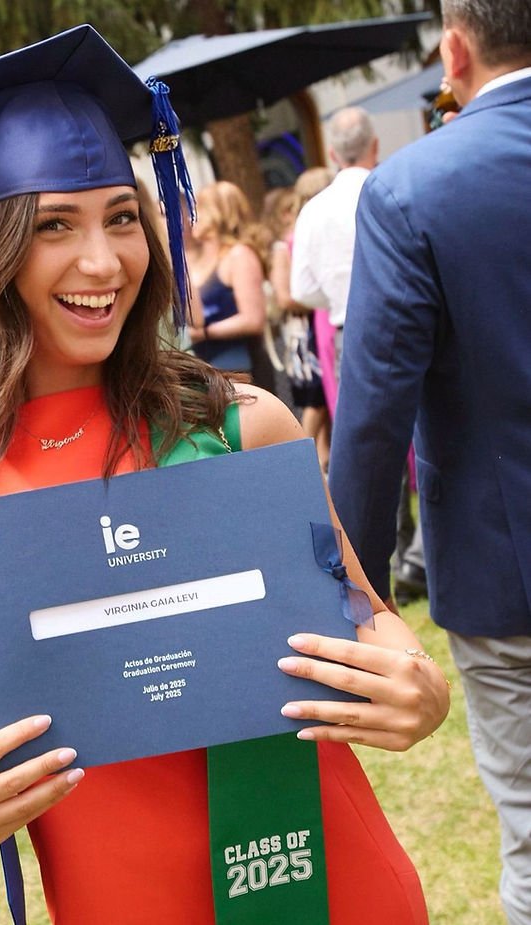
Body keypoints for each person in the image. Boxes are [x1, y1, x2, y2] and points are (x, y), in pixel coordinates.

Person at [0, 25, 450, 924]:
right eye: (54, 225)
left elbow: (365, 611)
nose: (104, 261)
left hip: (319, 882)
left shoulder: (236, 425)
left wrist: (417, 679)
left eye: (122, 217)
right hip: (117, 898)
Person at [329, 3, 531, 921]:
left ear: (455, 47)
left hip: (507, 569)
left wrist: (351, 600)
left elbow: (373, 417)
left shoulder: (416, 186)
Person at [290, 106, 378, 387]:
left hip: (349, 334)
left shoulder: (312, 211)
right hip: (407, 325)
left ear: (332, 154)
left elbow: (302, 289)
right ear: (375, 146)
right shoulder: (392, 189)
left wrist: (340, 296)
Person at [185, 181, 276, 393]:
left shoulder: (239, 255)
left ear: (219, 215)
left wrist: (203, 332)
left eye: (199, 210)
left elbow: (253, 319)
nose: (191, 217)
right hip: (208, 370)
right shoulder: (197, 258)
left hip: (242, 368)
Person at [267, 178, 331, 471]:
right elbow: (284, 297)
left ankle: (321, 460)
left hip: (317, 327)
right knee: (314, 399)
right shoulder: (285, 246)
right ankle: (301, 462)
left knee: (324, 401)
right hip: (304, 332)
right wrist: (326, 298)